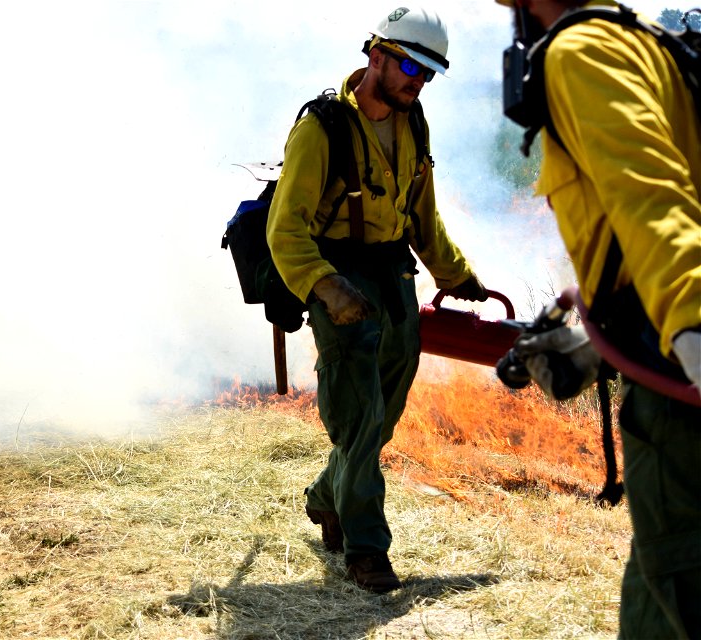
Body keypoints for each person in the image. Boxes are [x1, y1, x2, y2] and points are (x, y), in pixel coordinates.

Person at [494, 0, 701, 637]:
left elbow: (654, 205)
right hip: (661, 367)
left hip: (679, 399)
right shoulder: (649, 46)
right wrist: (593, 334)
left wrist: (692, 327)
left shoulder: (581, 52)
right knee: (653, 596)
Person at [266, 6, 488, 593]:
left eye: (429, 72)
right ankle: (366, 550)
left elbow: (422, 214)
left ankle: (323, 496)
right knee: (359, 416)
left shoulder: (415, 124)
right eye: (411, 65)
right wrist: (325, 285)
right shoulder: (323, 127)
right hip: (338, 272)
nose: (418, 80)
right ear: (377, 54)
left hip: (394, 274)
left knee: (381, 417)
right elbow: (285, 229)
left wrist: (456, 274)